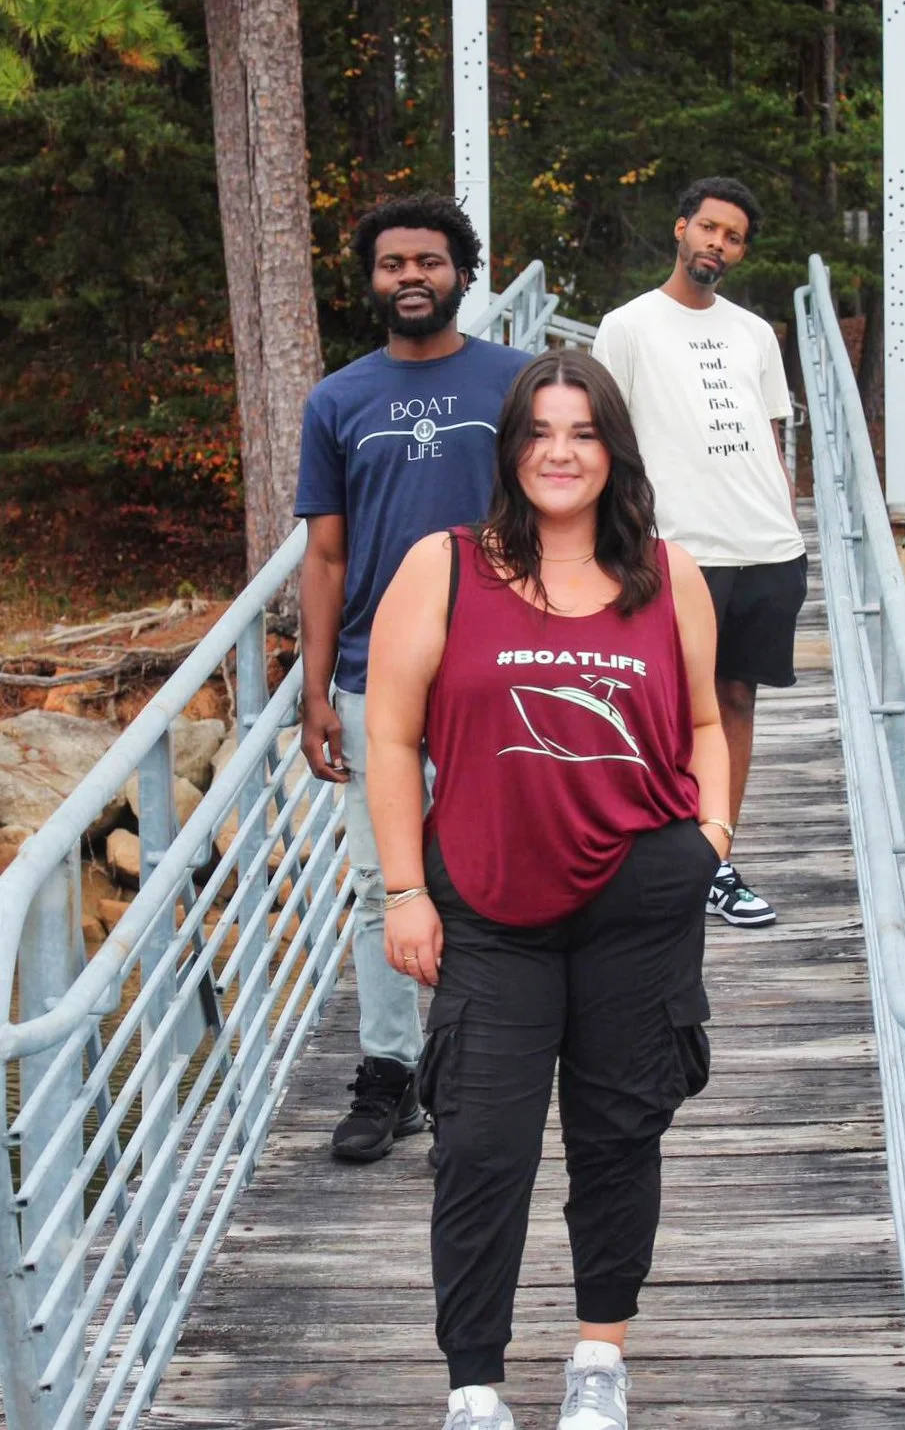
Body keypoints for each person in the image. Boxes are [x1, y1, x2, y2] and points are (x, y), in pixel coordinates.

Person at [365, 349, 732, 1430]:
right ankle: (474, 1383)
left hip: (640, 902)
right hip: (487, 906)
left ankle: (598, 1359)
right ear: (509, 448)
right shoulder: (444, 565)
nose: (559, 452)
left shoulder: (667, 574)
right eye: (538, 431)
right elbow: (388, 736)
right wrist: (402, 888)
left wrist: (711, 838)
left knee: (620, 1133)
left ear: (613, 449)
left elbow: (707, 719)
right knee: (480, 1143)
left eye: (582, 432)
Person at [295, 192, 532, 1163]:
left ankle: (474, 1067)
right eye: (392, 263)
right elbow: (324, 556)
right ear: (372, 280)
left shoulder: (517, 383)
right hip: (371, 674)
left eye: (428, 261)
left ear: (463, 274)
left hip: (496, 666)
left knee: (495, 875)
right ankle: (388, 1073)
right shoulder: (337, 400)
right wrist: (314, 689)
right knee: (378, 883)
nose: (410, 277)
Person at [592, 175, 806, 928]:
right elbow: (606, 440)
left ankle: (715, 859)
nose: (718, 243)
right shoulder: (626, 326)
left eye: (734, 236)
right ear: (681, 228)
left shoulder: (755, 333)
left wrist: (786, 517)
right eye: (709, 227)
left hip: (766, 546)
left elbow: (769, 437)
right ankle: (649, 855)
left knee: (736, 698)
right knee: (661, 707)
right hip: (675, 550)